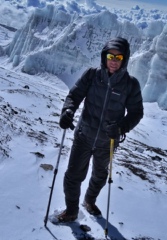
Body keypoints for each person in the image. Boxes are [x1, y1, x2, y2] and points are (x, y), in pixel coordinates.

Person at [57, 37, 143, 222]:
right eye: (110, 56)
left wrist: (121, 128)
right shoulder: (91, 75)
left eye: (118, 57)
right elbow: (74, 95)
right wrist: (68, 110)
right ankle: (71, 210)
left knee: (100, 175)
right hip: (84, 136)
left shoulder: (130, 85)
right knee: (73, 175)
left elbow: (136, 112)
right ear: (104, 56)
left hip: (108, 141)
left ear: (125, 59)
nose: (113, 60)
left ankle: (89, 200)